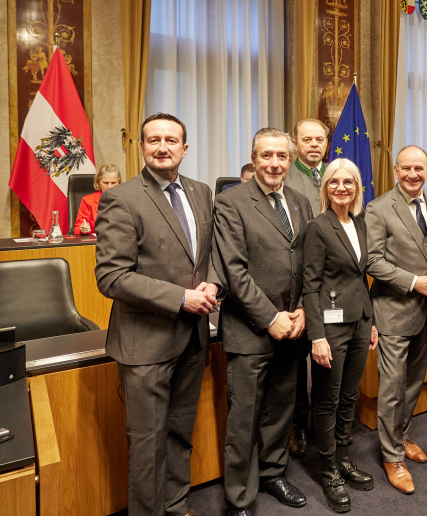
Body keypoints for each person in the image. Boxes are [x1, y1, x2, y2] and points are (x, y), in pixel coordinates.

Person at [95, 113, 220, 516]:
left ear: (185, 148)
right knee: (147, 443)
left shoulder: (202, 192)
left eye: (171, 140)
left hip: (193, 336)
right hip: (145, 341)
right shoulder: (123, 197)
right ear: (142, 147)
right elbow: (112, 276)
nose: (162, 147)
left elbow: (213, 254)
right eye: (153, 140)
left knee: (181, 432)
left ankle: (177, 503)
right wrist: (179, 297)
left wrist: (214, 285)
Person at [212, 128, 314, 515]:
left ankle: (273, 474)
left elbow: (308, 263)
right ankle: (239, 496)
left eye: (281, 156)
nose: (274, 163)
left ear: (290, 160)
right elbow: (234, 273)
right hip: (251, 330)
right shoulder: (231, 202)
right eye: (266, 156)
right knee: (244, 419)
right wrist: (271, 318)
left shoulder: (302, 202)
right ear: (254, 159)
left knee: (280, 410)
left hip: (293, 327)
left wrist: (303, 307)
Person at [365, 145, 427, 494]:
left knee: (413, 384)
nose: (413, 174)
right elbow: (372, 261)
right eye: (406, 168)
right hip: (394, 311)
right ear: (396, 170)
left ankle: (401, 436)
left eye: (420, 168)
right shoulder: (378, 208)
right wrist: (414, 281)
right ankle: (391, 456)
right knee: (392, 387)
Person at [303, 159, 378, 512]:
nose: (342, 188)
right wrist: (316, 336)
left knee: (349, 397)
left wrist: (372, 320)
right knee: (327, 399)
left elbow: (362, 279)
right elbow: (310, 285)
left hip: (360, 322)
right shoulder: (318, 227)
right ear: (325, 187)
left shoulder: (360, 224)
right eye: (334, 182)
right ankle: (329, 468)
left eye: (348, 182)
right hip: (330, 327)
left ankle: (345, 457)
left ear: (357, 187)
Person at [285, 117, 331, 457]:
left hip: (334, 280)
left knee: (329, 355)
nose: (313, 144)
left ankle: (324, 420)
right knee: (297, 360)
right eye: (307, 139)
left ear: (326, 143)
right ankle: (297, 422)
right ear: (296, 143)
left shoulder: (336, 173)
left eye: (319, 139)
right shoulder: (284, 175)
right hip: (298, 280)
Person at [73, 163, 122, 235]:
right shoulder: (88, 200)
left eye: (113, 183)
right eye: (105, 183)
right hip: (97, 242)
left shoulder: (126, 199)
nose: (109, 186)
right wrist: (82, 229)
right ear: (98, 182)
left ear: (119, 182)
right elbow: (77, 227)